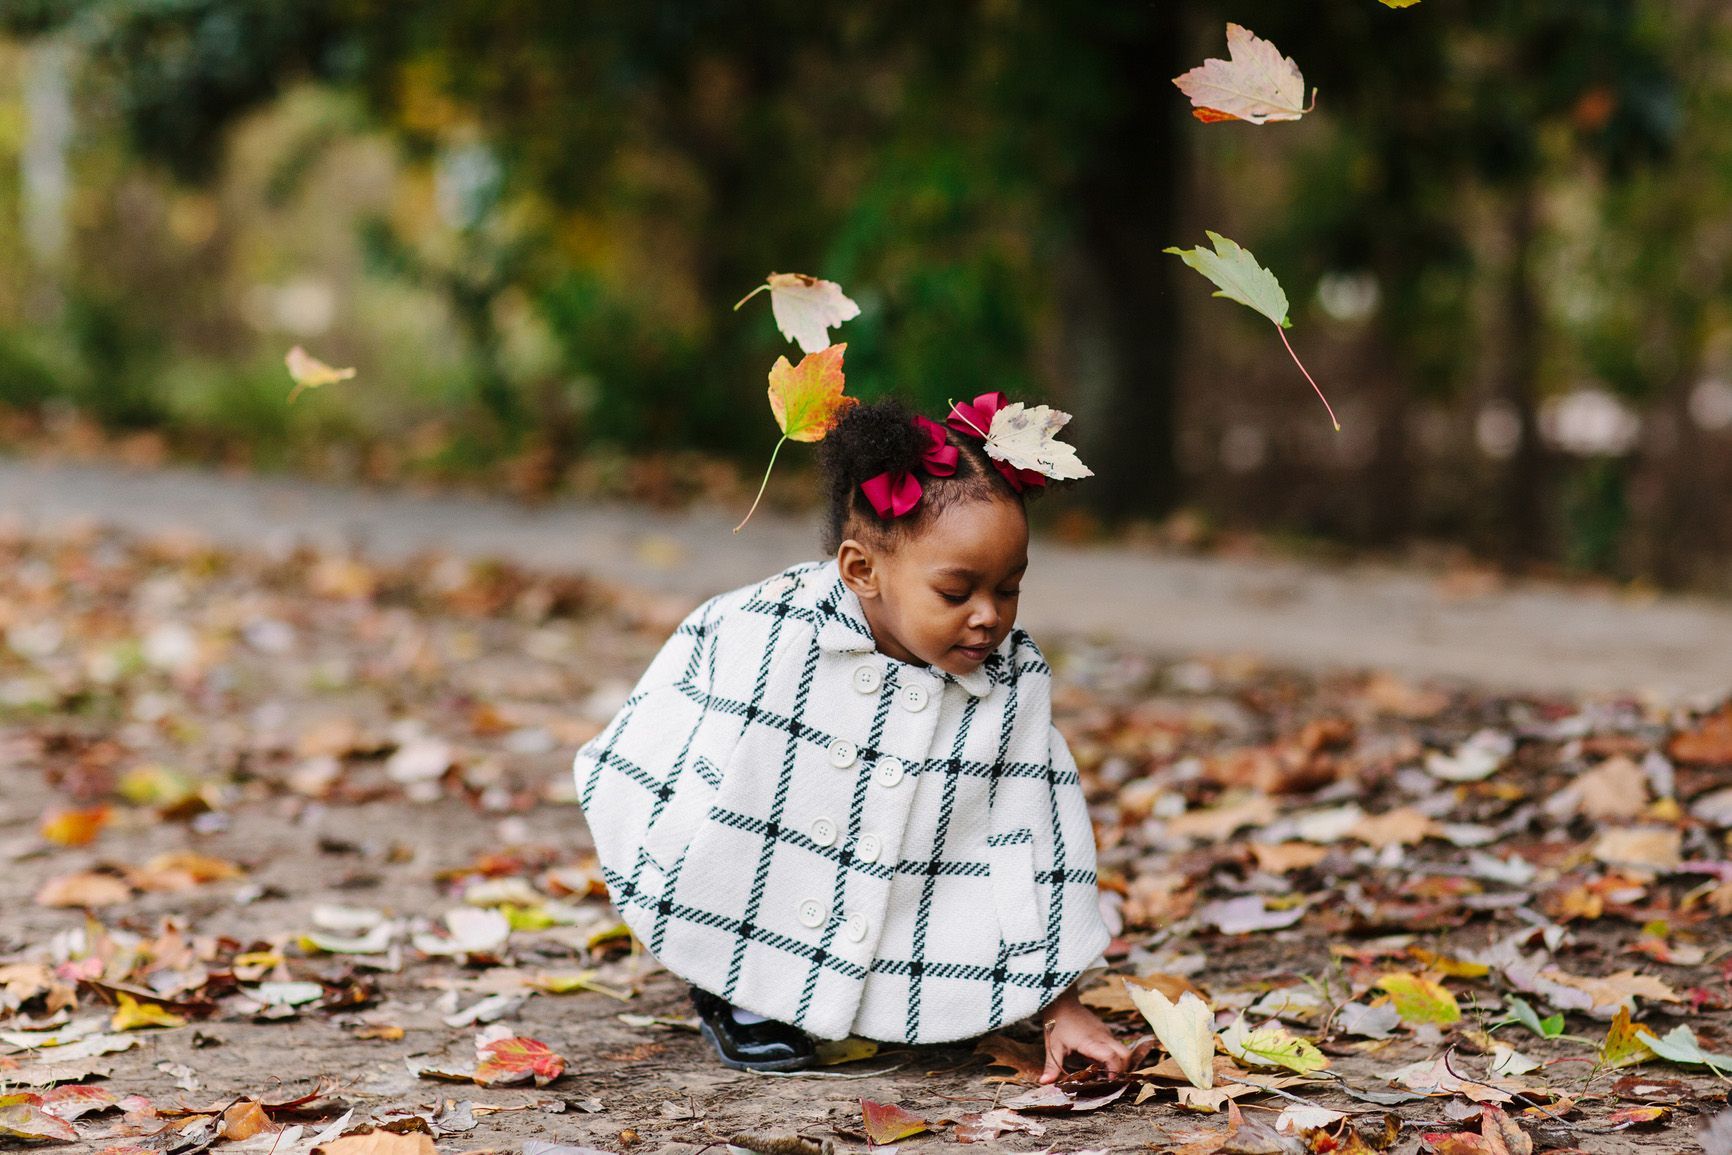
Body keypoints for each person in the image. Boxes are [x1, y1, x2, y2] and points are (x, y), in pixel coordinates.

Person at [571, 393, 1129, 1081]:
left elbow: (1036, 832)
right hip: (757, 858)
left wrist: (1056, 999)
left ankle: (891, 998)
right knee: (753, 811)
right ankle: (736, 985)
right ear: (862, 570)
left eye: (1009, 589)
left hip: (911, 891)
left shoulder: (1010, 681)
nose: (988, 616)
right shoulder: (767, 630)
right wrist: (679, 841)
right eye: (957, 593)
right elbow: (675, 722)